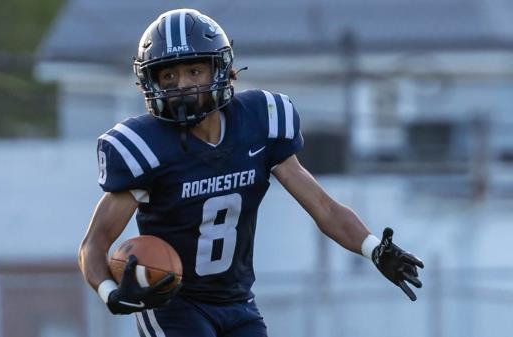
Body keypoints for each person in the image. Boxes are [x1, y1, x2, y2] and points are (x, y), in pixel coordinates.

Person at [78, 8, 424, 337]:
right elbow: (94, 244)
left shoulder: (260, 122)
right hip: (173, 302)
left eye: (194, 71)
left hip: (237, 300)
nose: (182, 85)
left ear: (222, 71)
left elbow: (324, 207)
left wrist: (373, 248)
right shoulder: (146, 146)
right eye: (169, 75)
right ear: (150, 82)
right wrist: (110, 292)